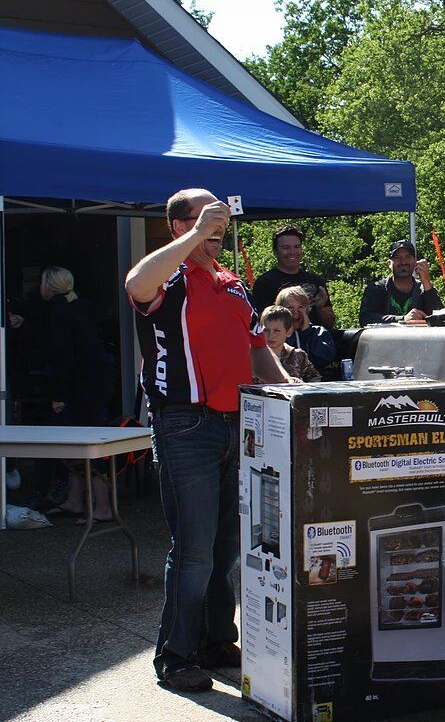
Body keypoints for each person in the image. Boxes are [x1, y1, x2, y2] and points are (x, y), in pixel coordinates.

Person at [125, 188, 292, 692]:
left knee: (227, 548)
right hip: (184, 425)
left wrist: (295, 391)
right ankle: (174, 656)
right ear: (178, 225)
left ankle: (216, 640)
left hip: (234, 424)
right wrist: (196, 234)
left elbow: (258, 351)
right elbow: (136, 282)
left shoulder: (233, 284)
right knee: (194, 549)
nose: (217, 226)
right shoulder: (168, 279)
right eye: (204, 218)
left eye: (220, 219)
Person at [36, 266, 115, 523]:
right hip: (96, 388)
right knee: (82, 445)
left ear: (48, 286)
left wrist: (57, 394)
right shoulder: (84, 309)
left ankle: (102, 507)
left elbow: (62, 359)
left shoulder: (59, 314)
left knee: (76, 446)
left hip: (79, 392)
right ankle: (75, 499)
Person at [251, 225, 335, 329]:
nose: (292, 252)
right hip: (283, 342)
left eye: (296, 247)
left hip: (314, 341)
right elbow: (262, 323)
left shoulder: (315, 281)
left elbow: (330, 323)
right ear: (275, 252)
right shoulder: (264, 283)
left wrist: (320, 308)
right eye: (285, 248)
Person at [358, 240, 443, 325]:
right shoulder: (376, 289)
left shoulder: (423, 290)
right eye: (397, 258)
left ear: (415, 262)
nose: (403, 262)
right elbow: (365, 318)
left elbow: (441, 319)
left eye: (408, 257)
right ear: (389, 264)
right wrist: (403, 319)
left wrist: (426, 282)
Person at [273, 286, 336, 373]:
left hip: (313, 380)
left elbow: (324, 359)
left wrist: (307, 333)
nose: (296, 312)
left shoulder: (318, 332)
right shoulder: (274, 333)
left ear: (307, 309)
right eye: (290, 308)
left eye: (300, 307)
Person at [260, 305, 321, 382]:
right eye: (266, 330)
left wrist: (302, 386)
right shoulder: (253, 357)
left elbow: (315, 379)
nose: (271, 335)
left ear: (288, 332)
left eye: (276, 331)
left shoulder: (298, 356)